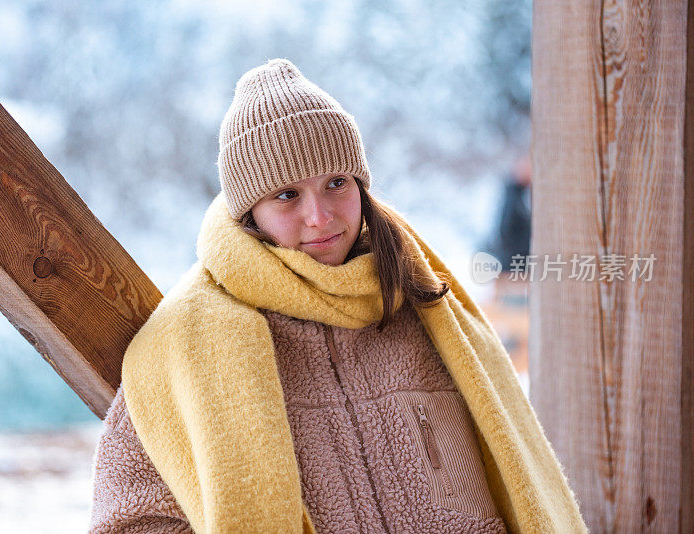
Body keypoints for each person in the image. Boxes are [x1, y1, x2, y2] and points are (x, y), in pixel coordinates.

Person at [88, 59, 587, 533]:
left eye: (336, 183)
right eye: (287, 194)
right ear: (249, 213)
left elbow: (517, 475)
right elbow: (133, 517)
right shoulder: (183, 343)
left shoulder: (425, 300)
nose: (320, 216)